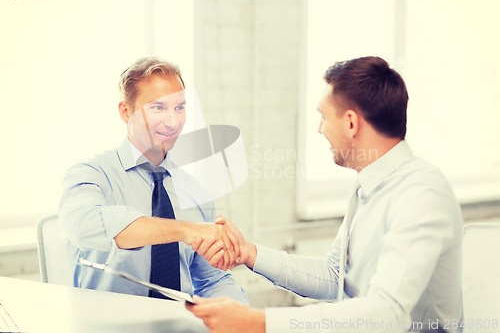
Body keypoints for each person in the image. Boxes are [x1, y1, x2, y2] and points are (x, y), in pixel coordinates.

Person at [187, 56, 464, 332]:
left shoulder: (420, 194)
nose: (320, 129)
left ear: (351, 123)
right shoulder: (366, 186)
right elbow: (335, 277)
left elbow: (387, 313)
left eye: (323, 117)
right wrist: (249, 253)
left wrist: (259, 323)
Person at [59, 57, 247, 303]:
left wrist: (240, 312)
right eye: (158, 108)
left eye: (179, 108)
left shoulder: (194, 190)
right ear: (126, 112)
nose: (172, 122)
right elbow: (84, 226)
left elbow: (211, 279)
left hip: (179, 325)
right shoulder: (92, 174)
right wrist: (185, 230)